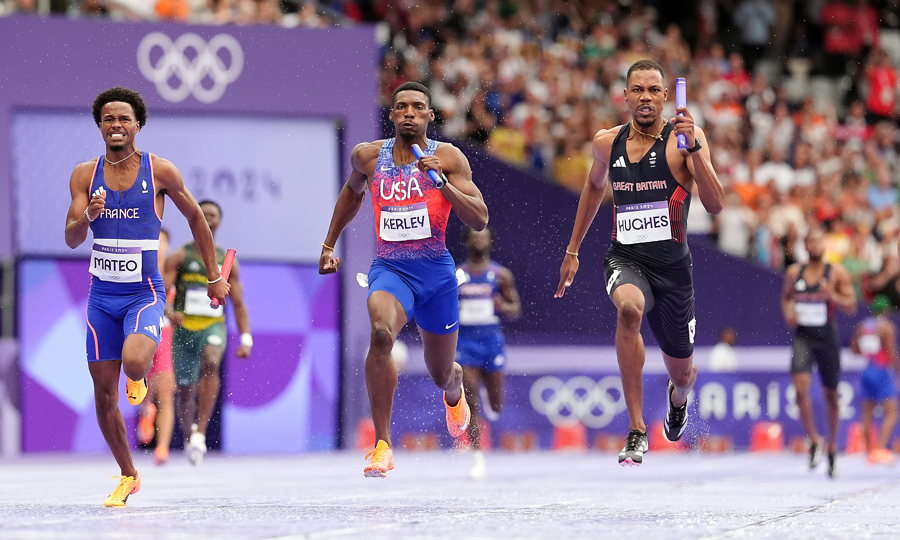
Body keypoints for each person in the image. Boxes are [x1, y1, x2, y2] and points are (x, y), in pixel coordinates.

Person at [64, 87, 229, 507]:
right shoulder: (84, 175)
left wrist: (213, 275)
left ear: (138, 125)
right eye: (108, 119)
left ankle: (136, 378)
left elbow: (196, 218)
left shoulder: (160, 171)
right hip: (101, 297)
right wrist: (88, 217)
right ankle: (128, 475)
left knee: (135, 361)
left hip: (145, 293)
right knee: (104, 395)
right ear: (99, 126)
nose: (116, 125)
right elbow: (71, 237)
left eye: (124, 118)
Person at [555, 59, 725, 466]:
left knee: (682, 373)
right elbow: (593, 188)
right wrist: (573, 250)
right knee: (629, 310)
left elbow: (716, 205)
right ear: (625, 96)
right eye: (638, 89)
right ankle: (635, 429)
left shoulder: (685, 139)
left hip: (673, 270)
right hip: (625, 257)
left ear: (665, 96)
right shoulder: (606, 142)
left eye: (653, 90)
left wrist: (695, 149)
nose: (645, 97)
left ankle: (677, 400)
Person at [319, 81, 489, 478]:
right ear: (392, 114)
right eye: (402, 106)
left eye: (417, 107)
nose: (409, 112)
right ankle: (383, 445)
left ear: (430, 115)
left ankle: (454, 387)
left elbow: (480, 218)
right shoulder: (367, 156)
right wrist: (328, 243)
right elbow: (352, 195)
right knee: (381, 334)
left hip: (437, 276)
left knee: (441, 373)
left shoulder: (448, 157)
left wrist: (442, 184)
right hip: (391, 269)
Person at [165, 200, 252, 466]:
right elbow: (161, 293)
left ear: (219, 222)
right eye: (202, 214)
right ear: (194, 219)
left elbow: (238, 304)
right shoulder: (180, 257)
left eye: (212, 215)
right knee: (184, 390)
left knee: (212, 360)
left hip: (213, 326)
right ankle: (189, 434)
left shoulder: (228, 262)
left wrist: (246, 338)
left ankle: (201, 432)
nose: (208, 218)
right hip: (184, 329)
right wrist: (169, 313)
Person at [781, 227, 857, 478]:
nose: (815, 246)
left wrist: (832, 294)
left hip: (827, 339)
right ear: (805, 245)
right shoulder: (794, 273)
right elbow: (786, 298)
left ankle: (832, 446)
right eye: (811, 242)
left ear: (825, 245)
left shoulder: (836, 272)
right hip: (803, 337)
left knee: (831, 395)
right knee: (800, 389)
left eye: (819, 241)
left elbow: (852, 305)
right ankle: (814, 439)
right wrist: (789, 312)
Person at [456, 227, 521, 478]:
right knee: (471, 398)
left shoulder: (500, 275)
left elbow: (515, 309)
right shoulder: (457, 275)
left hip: (491, 342)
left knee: (495, 405)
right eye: (474, 237)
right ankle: (477, 456)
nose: (479, 241)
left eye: (483, 237)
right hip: (465, 343)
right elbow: (443, 307)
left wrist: (502, 305)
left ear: (490, 242)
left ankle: (490, 397)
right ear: (467, 242)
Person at [136, 227, 177, 466]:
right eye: (155, 242)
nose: (159, 247)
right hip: (142, 334)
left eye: (163, 242)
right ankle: (146, 410)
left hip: (165, 334)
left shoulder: (175, 272)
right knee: (144, 388)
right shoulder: (139, 270)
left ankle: (162, 448)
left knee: (166, 393)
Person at [850, 295, 899, 465]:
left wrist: (870, 351)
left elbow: (855, 349)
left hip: (867, 369)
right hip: (881, 370)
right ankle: (879, 449)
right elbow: (891, 351)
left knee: (867, 412)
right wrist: (898, 371)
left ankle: (869, 451)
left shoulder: (863, 326)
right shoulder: (887, 327)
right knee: (891, 412)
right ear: (886, 310)